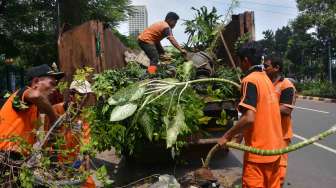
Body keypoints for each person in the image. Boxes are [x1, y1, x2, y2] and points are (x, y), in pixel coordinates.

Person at [217, 42, 283, 188]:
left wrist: (226, 136)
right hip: (275, 152)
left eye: (240, 61)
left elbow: (249, 118)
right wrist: (240, 136)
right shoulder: (266, 80)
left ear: (246, 60)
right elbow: (259, 114)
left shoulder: (249, 81)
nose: (240, 65)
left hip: (258, 156)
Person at [0, 64, 64, 186]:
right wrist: (54, 118)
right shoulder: (22, 94)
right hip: (5, 159)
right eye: (52, 83)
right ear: (35, 82)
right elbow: (36, 95)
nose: (55, 88)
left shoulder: (34, 109)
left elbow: (42, 142)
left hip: (16, 162)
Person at [47, 79, 95, 188]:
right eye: (82, 96)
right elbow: (47, 139)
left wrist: (86, 172)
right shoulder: (55, 110)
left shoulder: (84, 116)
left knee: (89, 185)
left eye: (87, 97)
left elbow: (86, 143)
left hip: (75, 162)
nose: (85, 101)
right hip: (57, 162)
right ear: (72, 95)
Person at [264, 55, 296, 186]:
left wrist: (263, 108)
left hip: (281, 135)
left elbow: (286, 110)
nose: (264, 69)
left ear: (276, 68)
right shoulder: (266, 83)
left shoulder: (286, 85)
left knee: (279, 171)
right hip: (268, 133)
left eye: (267, 66)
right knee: (266, 168)